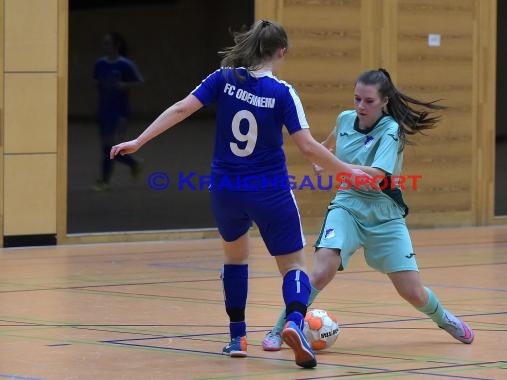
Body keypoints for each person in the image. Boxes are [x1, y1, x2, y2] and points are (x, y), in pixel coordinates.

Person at [110, 20, 370, 369]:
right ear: (281, 52)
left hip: (226, 189)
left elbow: (181, 109)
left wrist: (139, 141)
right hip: (269, 190)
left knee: (235, 259)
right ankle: (294, 323)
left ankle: (237, 337)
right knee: (293, 264)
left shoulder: (223, 78)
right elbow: (307, 147)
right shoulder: (281, 92)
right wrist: (348, 171)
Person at [261, 68, 475, 351]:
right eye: (357, 99)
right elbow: (327, 146)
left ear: (384, 101)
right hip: (347, 205)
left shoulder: (391, 130)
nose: (361, 106)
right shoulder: (345, 119)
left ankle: (444, 318)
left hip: (385, 214)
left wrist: (332, 164)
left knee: (412, 292)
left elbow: (376, 175)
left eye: (369, 101)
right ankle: (279, 330)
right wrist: (321, 156)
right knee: (321, 271)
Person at [93, 32, 144, 191]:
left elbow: (139, 81)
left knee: (110, 145)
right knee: (106, 147)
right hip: (104, 110)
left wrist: (124, 85)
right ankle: (133, 163)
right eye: (104, 43)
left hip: (119, 112)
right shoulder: (100, 64)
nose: (105, 46)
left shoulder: (125, 64)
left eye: (108, 43)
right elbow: (95, 81)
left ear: (117, 45)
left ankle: (104, 181)